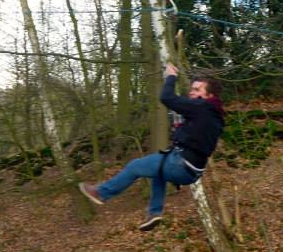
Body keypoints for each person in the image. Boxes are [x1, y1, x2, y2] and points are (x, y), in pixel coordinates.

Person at [79, 63, 226, 231]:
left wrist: (170, 76)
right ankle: (155, 213)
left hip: (181, 164)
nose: (192, 92)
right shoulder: (213, 114)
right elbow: (187, 121)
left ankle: (101, 193)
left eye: (197, 90)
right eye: (192, 89)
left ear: (209, 95)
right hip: (193, 172)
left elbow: (167, 98)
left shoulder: (202, 107)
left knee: (135, 166)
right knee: (158, 174)